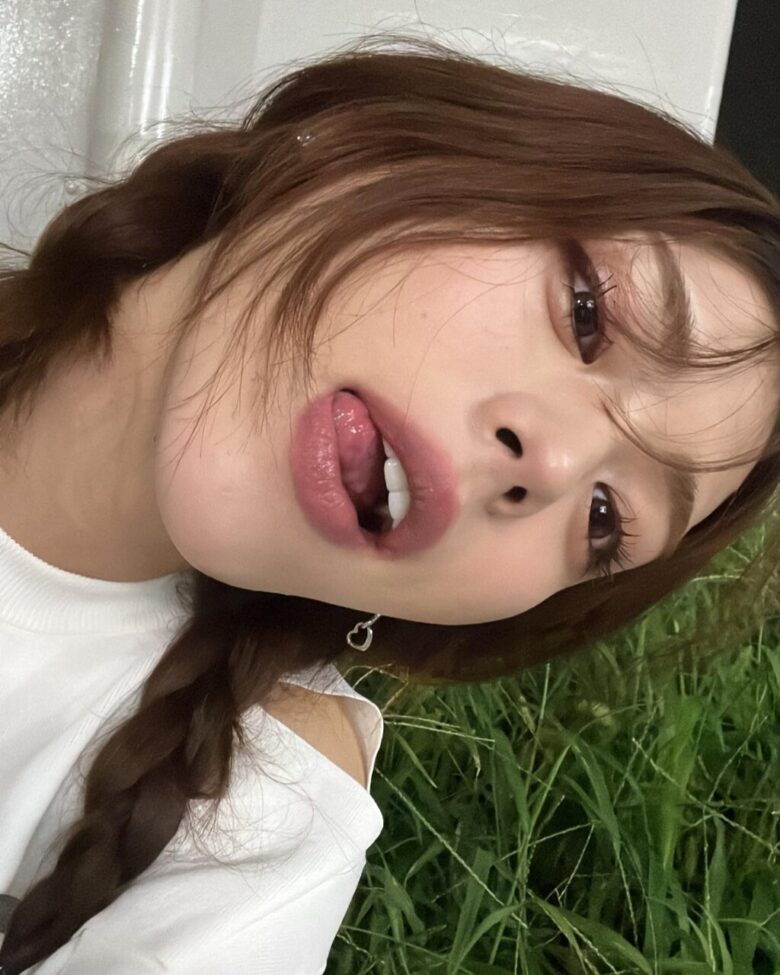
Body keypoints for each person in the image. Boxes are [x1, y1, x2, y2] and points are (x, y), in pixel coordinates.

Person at [0, 34, 777, 975]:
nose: (556, 463)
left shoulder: (251, 826)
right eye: (587, 313)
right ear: (374, 142)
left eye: (606, 518)